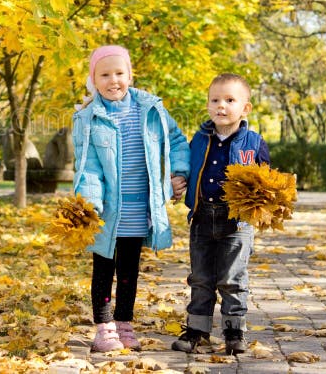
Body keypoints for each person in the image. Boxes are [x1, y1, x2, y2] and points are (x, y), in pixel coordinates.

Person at [72, 45, 190, 352]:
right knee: (103, 269)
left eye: (119, 73)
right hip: (108, 210)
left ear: (130, 75)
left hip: (141, 208)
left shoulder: (151, 109)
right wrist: (91, 204)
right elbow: (87, 167)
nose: (114, 81)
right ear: (93, 80)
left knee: (128, 270)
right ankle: (103, 327)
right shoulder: (88, 118)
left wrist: (179, 173)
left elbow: (176, 140)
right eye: (105, 75)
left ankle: (124, 324)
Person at [171, 73, 270, 355]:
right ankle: (197, 330)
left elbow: (266, 183)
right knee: (201, 278)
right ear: (207, 105)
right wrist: (178, 185)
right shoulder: (199, 140)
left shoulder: (254, 142)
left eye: (229, 100)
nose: (221, 106)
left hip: (237, 223)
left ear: (245, 108)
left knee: (232, 278)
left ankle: (234, 330)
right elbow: (188, 170)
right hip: (202, 218)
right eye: (215, 100)